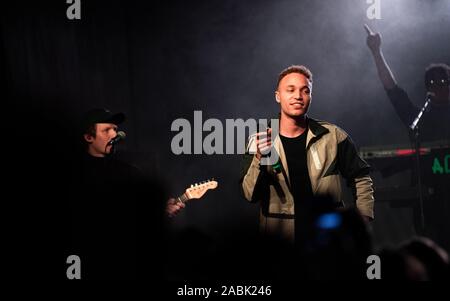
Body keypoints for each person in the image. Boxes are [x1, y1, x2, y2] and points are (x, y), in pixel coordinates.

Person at [240, 65, 375, 243]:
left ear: (311, 96)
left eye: (305, 91)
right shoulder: (258, 138)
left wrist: (362, 220)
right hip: (280, 242)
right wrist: (258, 157)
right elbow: (250, 195)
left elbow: (360, 177)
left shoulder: (333, 136)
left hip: (328, 238)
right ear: (277, 96)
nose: (298, 96)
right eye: (291, 90)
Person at [364, 24, 450, 142]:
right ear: (427, 88)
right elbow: (393, 90)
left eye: (442, 81)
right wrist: (376, 52)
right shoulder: (420, 120)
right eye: (432, 82)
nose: (437, 86)